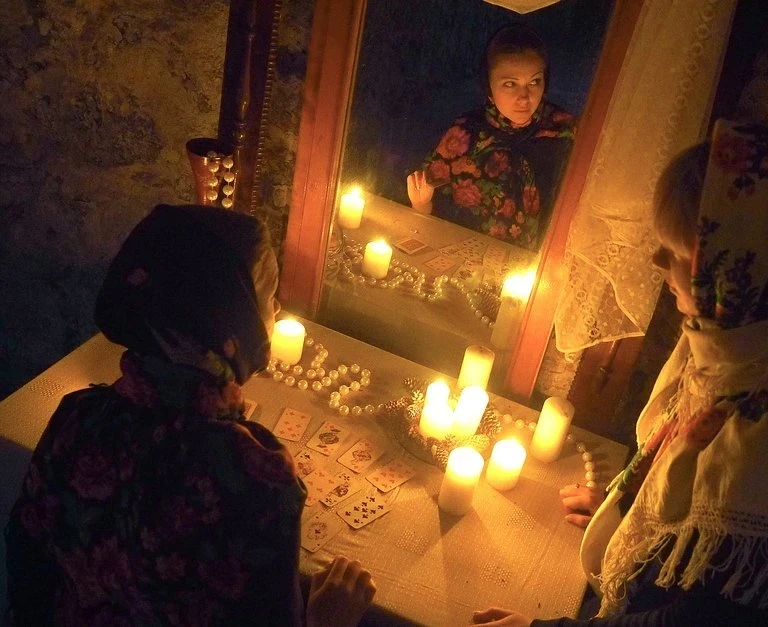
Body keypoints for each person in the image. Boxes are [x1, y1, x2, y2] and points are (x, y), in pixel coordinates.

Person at [472, 120, 768, 625]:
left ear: (739, 269)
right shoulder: (755, 337)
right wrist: (636, 516)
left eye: (676, 254)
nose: (656, 261)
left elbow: (697, 621)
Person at [5, 204, 376, 626]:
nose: (276, 310)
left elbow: (28, 575)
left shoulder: (76, 416)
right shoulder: (256, 473)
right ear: (234, 320)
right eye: (268, 298)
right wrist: (328, 619)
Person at [406, 23, 576, 251]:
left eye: (534, 82)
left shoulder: (564, 133)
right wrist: (421, 204)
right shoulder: (465, 135)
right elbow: (431, 216)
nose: (524, 97)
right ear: (488, 87)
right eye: (510, 84)